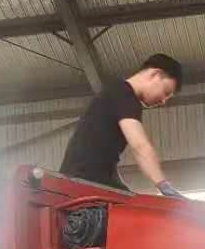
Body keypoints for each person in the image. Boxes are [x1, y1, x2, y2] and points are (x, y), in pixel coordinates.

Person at [60, 54, 184, 197]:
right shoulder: (123, 93)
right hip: (82, 183)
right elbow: (139, 146)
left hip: (86, 179)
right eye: (166, 93)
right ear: (154, 74)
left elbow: (104, 157)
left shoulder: (118, 93)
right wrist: (163, 185)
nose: (163, 101)